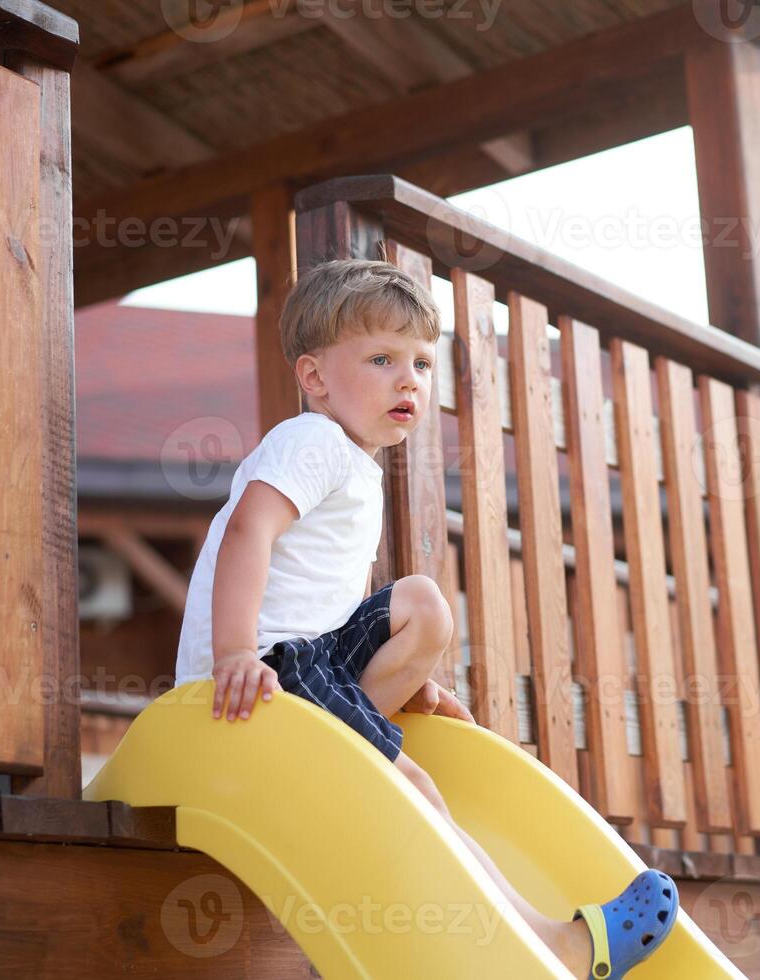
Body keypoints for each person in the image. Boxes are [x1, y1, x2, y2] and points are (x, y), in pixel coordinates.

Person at [174, 257, 676, 979]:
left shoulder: (352, 463)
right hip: (266, 674)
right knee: (413, 787)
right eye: (381, 359)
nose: (407, 378)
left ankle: (366, 720)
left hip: (309, 665)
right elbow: (249, 532)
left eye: (420, 362)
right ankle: (551, 941)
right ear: (314, 378)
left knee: (423, 606)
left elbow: (330, 601)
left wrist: (408, 680)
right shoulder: (311, 442)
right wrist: (232, 653)